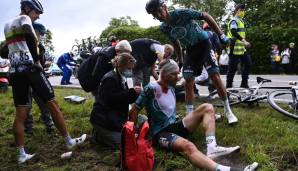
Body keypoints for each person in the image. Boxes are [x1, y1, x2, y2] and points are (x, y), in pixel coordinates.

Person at [129, 59, 258, 171]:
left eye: (178, 74)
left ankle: (212, 148)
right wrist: (134, 134)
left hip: (176, 126)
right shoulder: (151, 88)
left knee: (207, 107)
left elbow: (188, 84)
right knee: (189, 147)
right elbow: (134, 109)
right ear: (166, 75)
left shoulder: (172, 86)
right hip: (160, 134)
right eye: (175, 74)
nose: (178, 77)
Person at [4, 0, 86, 164]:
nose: (38, 16)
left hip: (15, 72)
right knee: (52, 103)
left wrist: (16, 52)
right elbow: (28, 33)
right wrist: (35, 60)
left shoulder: (7, 25)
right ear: (27, 9)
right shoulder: (24, 20)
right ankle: (69, 141)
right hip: (30, 69)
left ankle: (21, 154)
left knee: (21, 113)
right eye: (36, 12)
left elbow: (3, 50)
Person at [145, 0, 238, 124]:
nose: (158, 16)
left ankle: (228, 110)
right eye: (155, 15)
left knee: (215, 76)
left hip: (204, 44)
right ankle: (190, 115)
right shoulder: (164, 27)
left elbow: (205, 16)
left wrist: (221, 35)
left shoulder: (181, 13)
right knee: (188, 81)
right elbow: (176, 43)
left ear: (165, 7)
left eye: (159, 12)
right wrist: (180, 60)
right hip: (190, 49)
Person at [90, 53, 142, 149]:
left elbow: (124, 98)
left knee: (137, 128)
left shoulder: (120, 77)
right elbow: (111, 99)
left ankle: (105, 134)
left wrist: (135, 93)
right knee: (124, 144)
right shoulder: (110, 78)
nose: (131, 72)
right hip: (104, 119)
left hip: (114, 117)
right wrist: (131, 92)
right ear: (121, 66)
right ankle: (98, 136)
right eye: (129, 69)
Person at [24, 22, 54, 134]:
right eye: (39, 33)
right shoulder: (22, 44)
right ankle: (28, 129)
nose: (41, 36)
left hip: (38, 78)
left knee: (44, 102)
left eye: (42, 34)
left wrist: (45, 63)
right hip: (25, 78)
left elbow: (41, 61)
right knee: (27, 105)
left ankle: (49, 126)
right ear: (32, 31)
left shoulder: (40, 47)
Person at [226, 4, 252, 88]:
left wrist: (244, 42)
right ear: (237, 10)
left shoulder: (241, 21)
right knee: (232, 68)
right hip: (234, 47)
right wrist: (244, 41)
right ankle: (228, 87)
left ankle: (244, 84)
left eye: (244, 10)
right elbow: (233, 31)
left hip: (241, 48)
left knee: (248, 63)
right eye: (242, 10)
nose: (243, 12)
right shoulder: (234, 20)